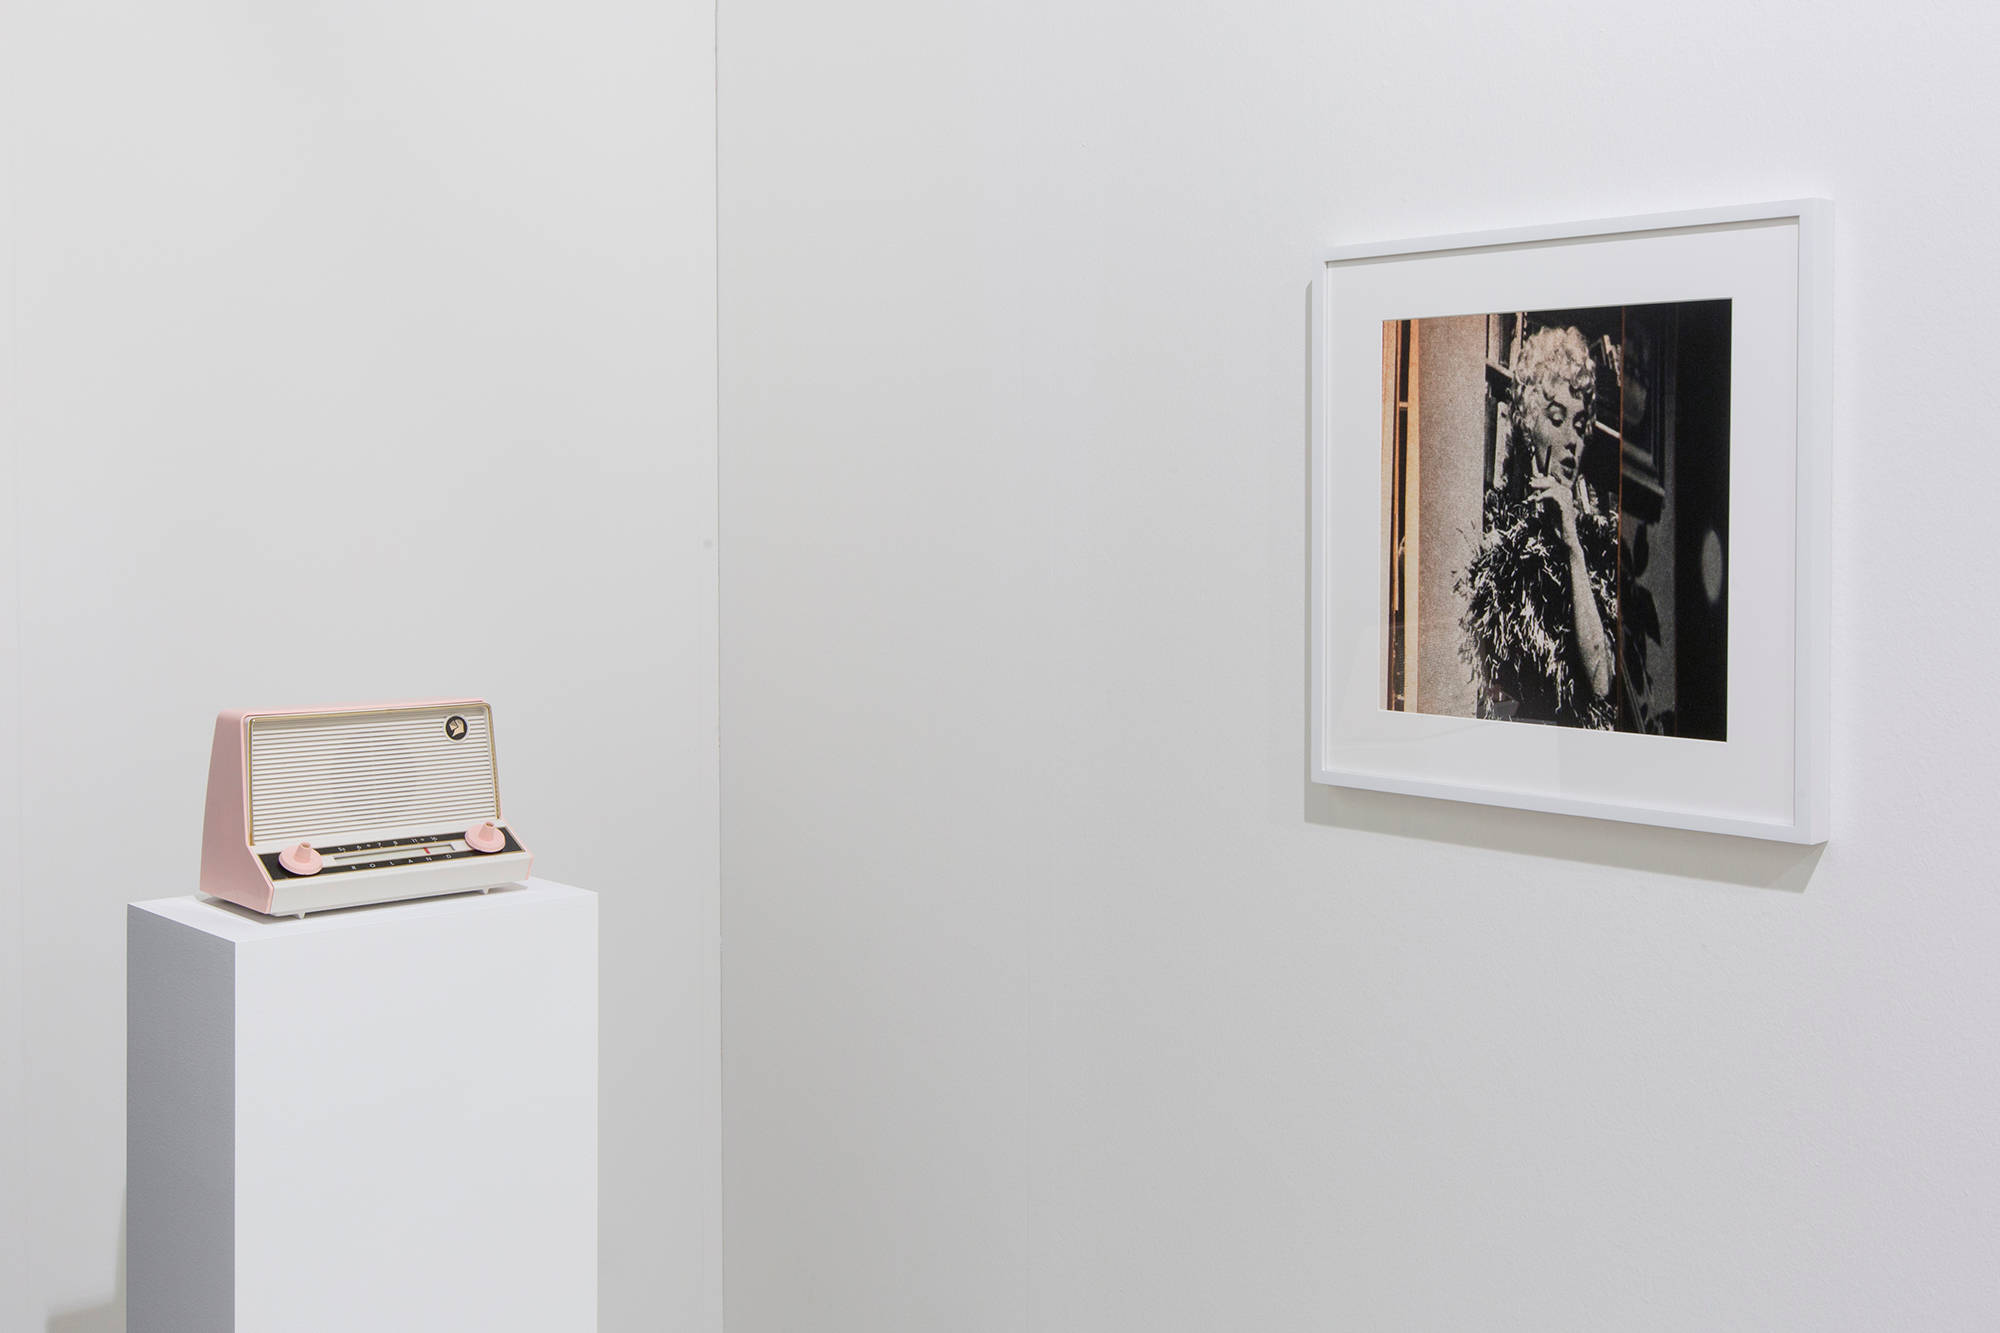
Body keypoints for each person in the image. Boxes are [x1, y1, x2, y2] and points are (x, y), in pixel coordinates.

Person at [1458, 324, 1618, 729]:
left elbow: (1602, 682)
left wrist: (1572, 546)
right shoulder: (1498, 542)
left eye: (1580, 427)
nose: (1571, 441)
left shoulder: (1598, 543)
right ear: (1529, 423)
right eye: (1557, 418)